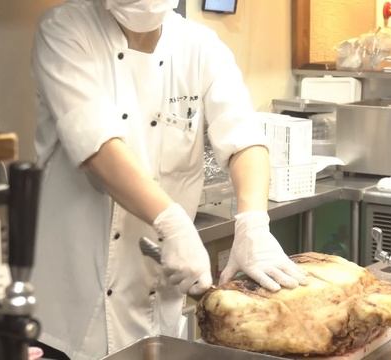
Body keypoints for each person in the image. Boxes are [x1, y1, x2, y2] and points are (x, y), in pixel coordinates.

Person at [30, 0, 307, 359]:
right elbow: (97, 147)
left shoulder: (201, 47)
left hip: (154, 311)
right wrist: (173, 222)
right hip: (68, 316)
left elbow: (245, 140)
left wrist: (253, 223)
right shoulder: (65, 30)